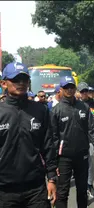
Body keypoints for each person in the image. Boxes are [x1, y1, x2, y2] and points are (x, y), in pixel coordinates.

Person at [0, 62, 57, 207]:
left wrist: (51, 178)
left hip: (35, 187)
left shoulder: (40, 110)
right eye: (16, 79)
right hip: (5, 189)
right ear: (4, 83)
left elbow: (48, 145)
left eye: (24, 80)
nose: (21, 83)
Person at [51, 76, 94, 208]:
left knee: (82, 190)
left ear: (75, 89)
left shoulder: (84, 107)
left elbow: (92, 129)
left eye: (72, 87)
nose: (69, 90)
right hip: (64, 158)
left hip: (82, 155)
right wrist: (53, 161)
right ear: (61, 90)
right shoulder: (56, 110)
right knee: (62, 193)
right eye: (66, 87)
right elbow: (53, 137)